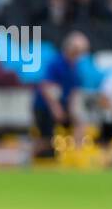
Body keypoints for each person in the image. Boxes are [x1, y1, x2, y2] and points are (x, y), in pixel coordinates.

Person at [31, 31, 89, 159]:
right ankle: (27, 159)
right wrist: (55, 108)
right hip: (45, 107)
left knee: (80, 125)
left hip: (63, 106)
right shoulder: (56, 63)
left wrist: (71, 111)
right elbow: (46, 86)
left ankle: (75, 155)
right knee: (47, 139)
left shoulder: (75, 67)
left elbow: (74, 92)